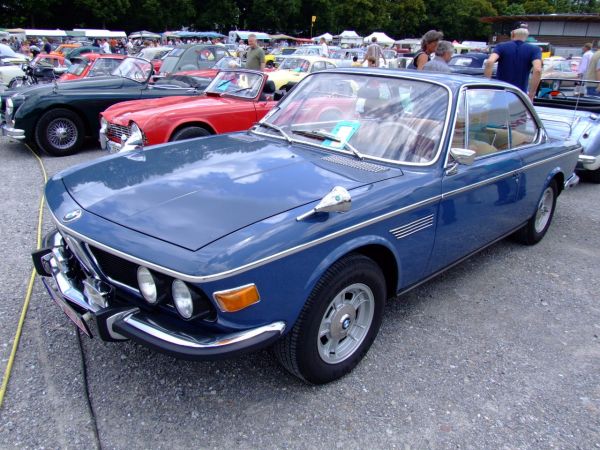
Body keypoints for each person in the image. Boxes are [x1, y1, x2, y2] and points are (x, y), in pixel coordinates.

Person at [484, 27, 542, 101]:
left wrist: (487, 88)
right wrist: (531, 94)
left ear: (512, 34)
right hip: (519, 96)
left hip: (500, 93)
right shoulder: (534, 50)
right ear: (527, 36)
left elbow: (489, 62)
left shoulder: (501, 46)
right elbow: (537, 70)